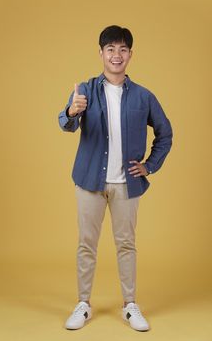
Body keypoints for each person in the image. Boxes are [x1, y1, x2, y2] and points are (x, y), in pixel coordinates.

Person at [58, 25, 173, 331]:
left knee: (126, 244)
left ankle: (130, 305)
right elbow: (65, 123)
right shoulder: (85, 90)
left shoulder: (143, 96)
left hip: (127, 185)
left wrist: (150, 165)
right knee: (86, 243)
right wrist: (72, 111)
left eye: (122, 49)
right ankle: (83, 304)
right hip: (89, 182)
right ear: (101, 54)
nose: (116, 55)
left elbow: (166, 134)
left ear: (130, 54)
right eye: (110, 49)